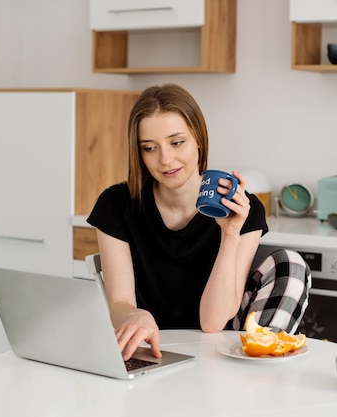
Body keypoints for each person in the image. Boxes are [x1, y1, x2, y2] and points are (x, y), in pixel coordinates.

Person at [87, 83, 311, 361]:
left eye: (177, 142)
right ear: (139, 152)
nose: (165, 159)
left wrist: (230, 234)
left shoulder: (243, 208)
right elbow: (120, 303)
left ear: (198, 139)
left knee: (290, 264)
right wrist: (135, 314)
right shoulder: (117, 204)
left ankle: (261, 359)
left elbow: (213, 322)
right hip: (154, 349)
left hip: (226, 350)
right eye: (149, 148)